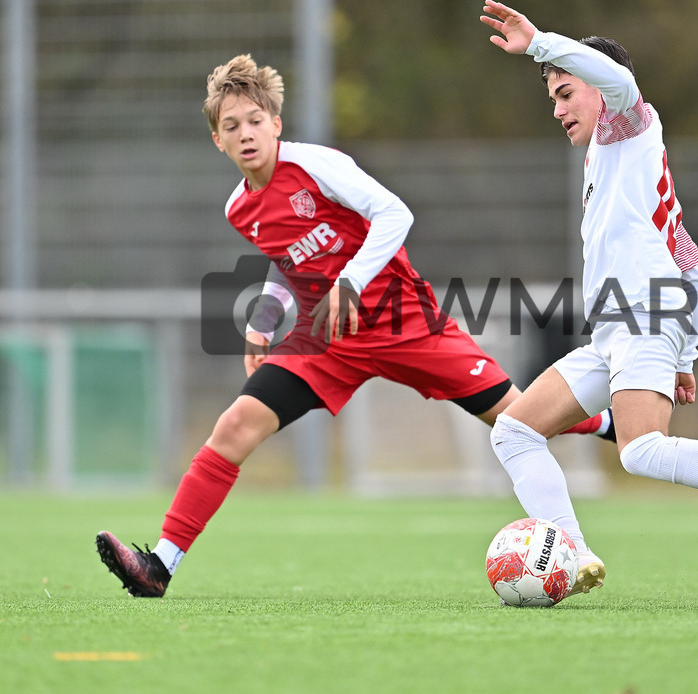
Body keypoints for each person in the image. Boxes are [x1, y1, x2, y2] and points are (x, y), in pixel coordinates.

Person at [95, 54, 612, 598]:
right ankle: (161, 567)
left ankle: (605, 424)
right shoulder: (239, 208)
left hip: (407, 324)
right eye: (231, 127)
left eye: (254, 120)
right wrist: (264, 320)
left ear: (275, 124)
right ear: (218, 142)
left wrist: (351, 280)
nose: (245, 134)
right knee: (235, 426)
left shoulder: (316, 166)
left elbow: (395, 213)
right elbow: (288, 260)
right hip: (329, 341)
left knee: (518, 415)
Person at [479, 0, 698, 595]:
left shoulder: (627, 122)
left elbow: (619, 80)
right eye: (553, 98)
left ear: (598, 85)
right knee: (513, 431)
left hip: (645, 314)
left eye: (567, 92)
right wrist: (685, 356)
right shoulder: (607, 154)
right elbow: (688, 256)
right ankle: (574, 551)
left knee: (641, 449)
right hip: (621, 328)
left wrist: (541, 42)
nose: (559, 108)